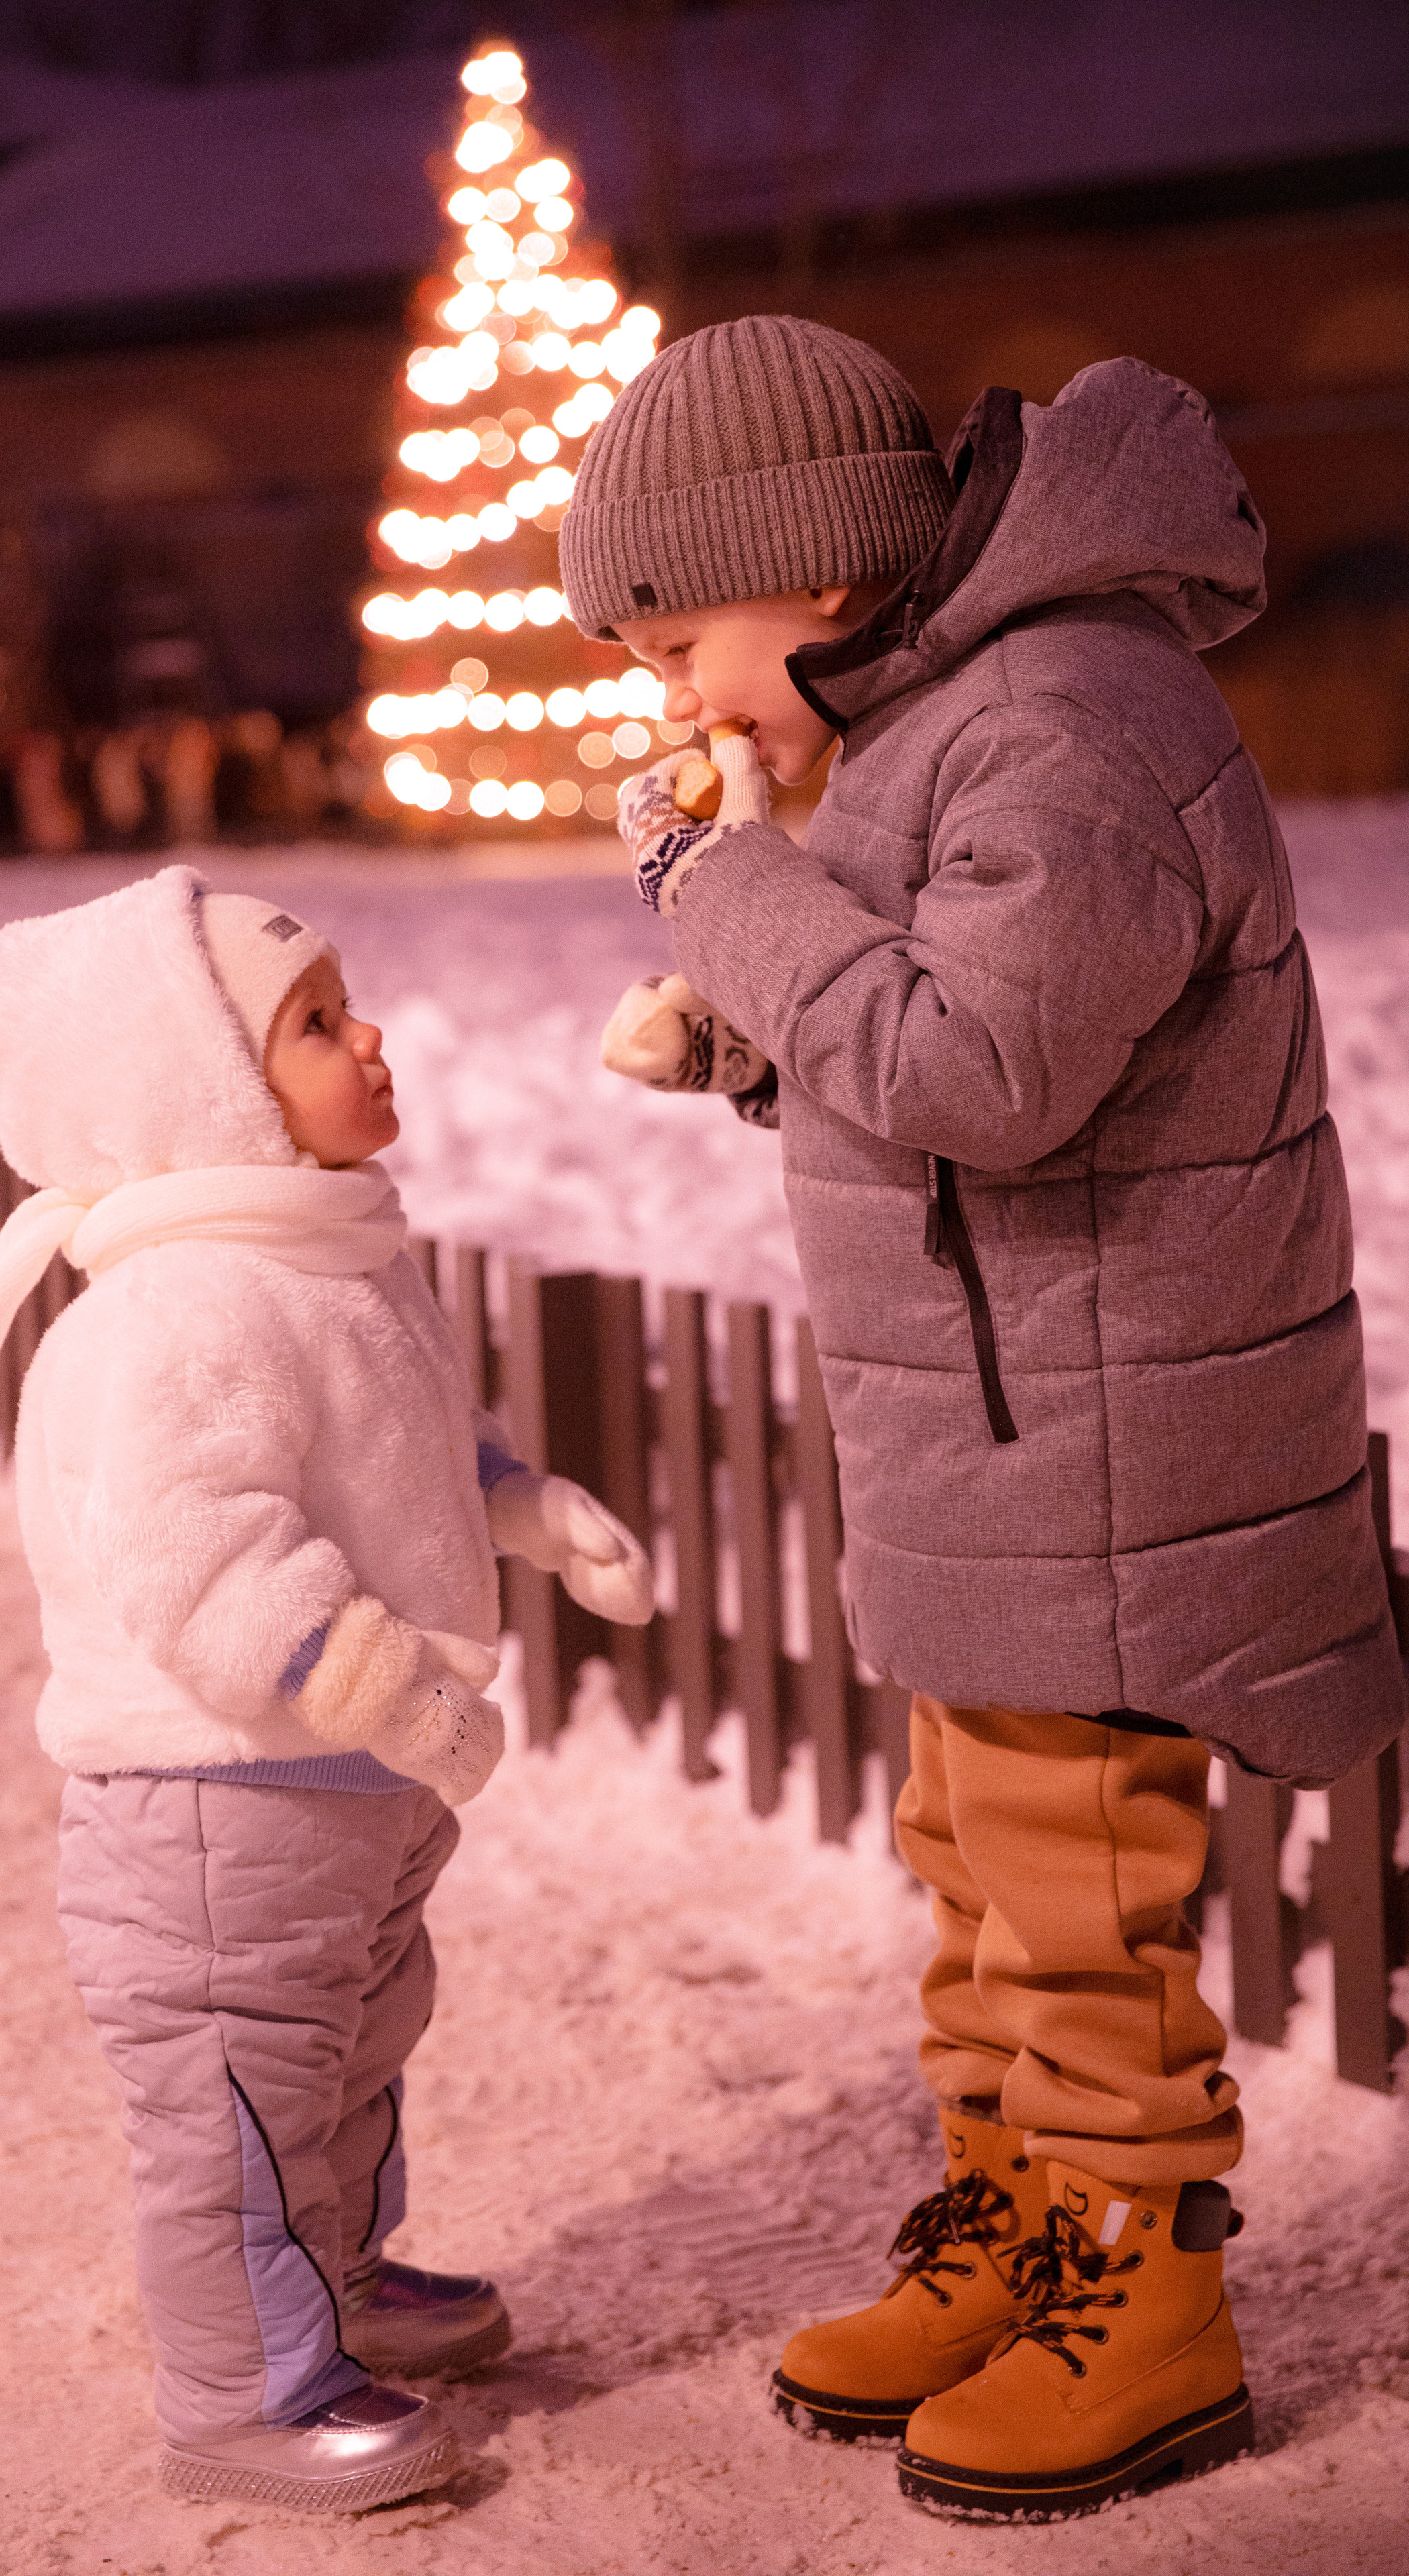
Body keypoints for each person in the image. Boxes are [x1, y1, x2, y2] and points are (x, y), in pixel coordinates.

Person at [562, 317, 1404, 2523]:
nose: (681, 700)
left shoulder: (1065, 721)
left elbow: (987, 1075)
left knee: (1073, 1890)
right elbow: (924, 1046)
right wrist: (754, 1022)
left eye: (681, 637)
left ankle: (1155, 2285)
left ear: (819, 569)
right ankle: (1024, 2219)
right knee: (981, 1870)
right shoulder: (943, 721)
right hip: (1012, 1438)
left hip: (1113, 1448)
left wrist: (716, 891)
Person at [0, 866, 654, 2513]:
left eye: (344, 1002)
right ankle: (243, 2398)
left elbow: (388, 1463)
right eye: (314, 1023)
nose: (367, 1034)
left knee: (347, 2052)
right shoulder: (184, 1308)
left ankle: (333, 2280)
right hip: (219, 1797)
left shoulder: (320, 1261)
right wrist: (404, 1701)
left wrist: (520, 1511)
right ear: (199, 1094)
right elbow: (204, 1571)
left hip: (338, 1798)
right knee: (235, 2103)